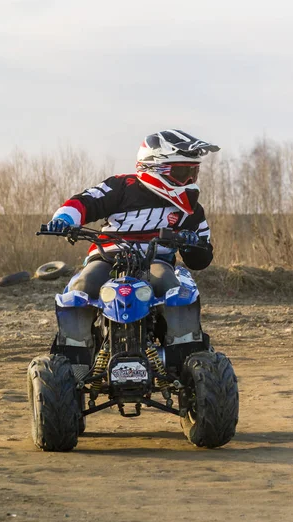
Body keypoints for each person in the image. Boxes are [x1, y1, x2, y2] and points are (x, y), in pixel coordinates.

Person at [47, 129, 219, 369]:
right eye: (182, 172)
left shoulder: (191, 209)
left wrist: (192, 245)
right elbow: (85, 201)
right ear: (153, 169)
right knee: (81, 287)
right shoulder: (122, 186)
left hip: (156, 261)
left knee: (173, 287)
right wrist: (64, 219)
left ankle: (185, 360)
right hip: (108, 258)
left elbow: (202, 258)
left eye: (193, 172)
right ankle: (74, 362)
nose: (189, 181)